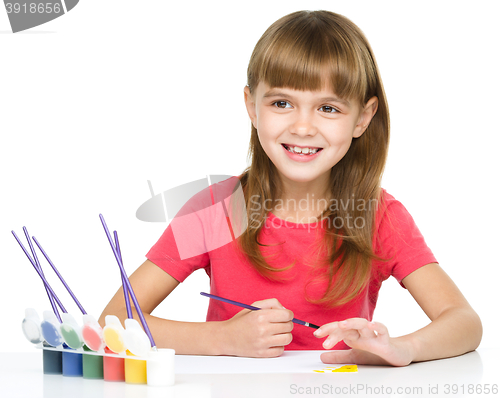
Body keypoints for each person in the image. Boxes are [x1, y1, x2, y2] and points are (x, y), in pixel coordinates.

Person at [99, 10, 482, 366]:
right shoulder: (217, 209)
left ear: (362, 118)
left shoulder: (380, 216)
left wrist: (402, 348)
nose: (302, 127)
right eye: (282, 103)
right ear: (252, 106)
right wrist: (223, 339)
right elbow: (113, 320)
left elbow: (465, 323)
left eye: (328, 108)